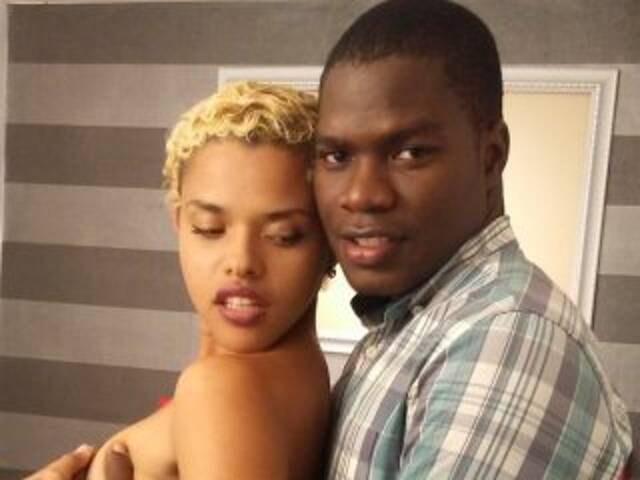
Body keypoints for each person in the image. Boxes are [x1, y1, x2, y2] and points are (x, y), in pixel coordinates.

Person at [29, 0, 633, 479]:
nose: (362, 195)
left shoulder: (505, 335)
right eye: (338, 156)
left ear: (490, 154)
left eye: (409, 152)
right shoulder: (399, 333)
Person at [27, 80, 333, 479]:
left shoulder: (224, 388)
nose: (241, 263)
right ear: (179, 223)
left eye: (284, 235)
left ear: (329, 242)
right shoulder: (289, 377)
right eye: (209, 228)